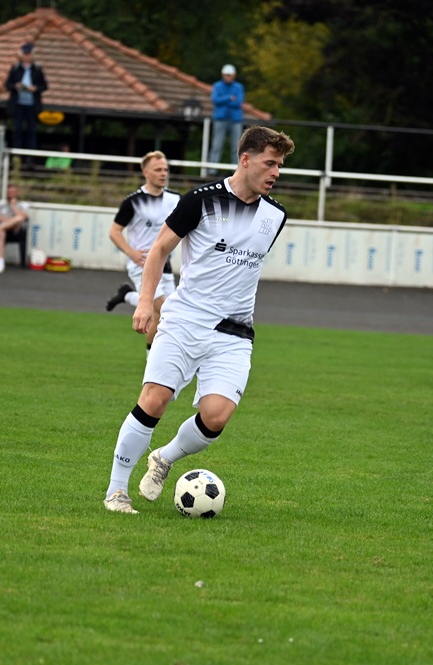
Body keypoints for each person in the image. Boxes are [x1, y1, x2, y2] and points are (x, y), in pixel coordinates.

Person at [103, 126, 295, 514]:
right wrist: (144, 303)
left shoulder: (276, 215)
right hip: (185, 321)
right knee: (154, 400)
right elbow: (159, 250)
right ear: (246, 159)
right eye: (270, 163)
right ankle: (116, 491)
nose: (276, 172)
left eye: (280, 166)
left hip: (235, 331)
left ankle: (164, 458)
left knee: (216, 415)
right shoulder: (200, 201)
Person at [104, 151, 181, 353]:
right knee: (166, 310)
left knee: (163, 317)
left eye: (165, 169)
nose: (163, 173)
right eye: (158, 170)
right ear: (146, 172)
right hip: (142, 265)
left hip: (165, 264)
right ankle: (153, 363)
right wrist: (132, 253)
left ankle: (128, 295)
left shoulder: (175, 199)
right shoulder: (133, 201)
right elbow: (114, 231)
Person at [5, 43, 48, 152]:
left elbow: (44, 86)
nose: (27, 56)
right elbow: (8, 85)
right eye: (25, 54)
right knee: (17, 129)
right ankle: (16, 154)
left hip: (32, 105)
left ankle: (30, 156)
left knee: (31, 130)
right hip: (18, 105)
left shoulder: (37, 69)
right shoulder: (16, 68)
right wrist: (16, 86)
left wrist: (35, 88)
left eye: (29, 54)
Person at [208, 64, 245, 171]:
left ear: (233, 76)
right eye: (226, 75)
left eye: (229, 75)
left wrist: (223, 100)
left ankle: (237, 171)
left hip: (235, 120)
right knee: (216, 145)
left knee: (236, 147)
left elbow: (238, 102)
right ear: (223, 75)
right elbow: (215, 100)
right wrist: (229, 97)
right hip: (220, 119)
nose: (227, 77)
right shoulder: (217, 86)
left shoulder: (238, 87)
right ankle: (212, 170)